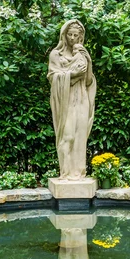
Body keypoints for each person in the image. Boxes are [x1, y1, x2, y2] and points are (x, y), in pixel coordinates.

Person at [47, 20, 97, 180]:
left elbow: (89, 81)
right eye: (70, 34)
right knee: (67, 136)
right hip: (65, 100)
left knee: (80, 136)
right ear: (64, 35)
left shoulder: (82, 55)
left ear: (81, 37)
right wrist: (72, 75)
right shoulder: (56, 55)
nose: (73, 38)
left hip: (81, 98)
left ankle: (79, 173)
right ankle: (65, 173)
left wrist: (88, 61)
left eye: (76, 35)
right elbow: (52, 77)